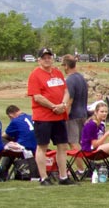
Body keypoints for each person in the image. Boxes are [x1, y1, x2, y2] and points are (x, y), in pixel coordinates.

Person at [27, 47, 74, 186]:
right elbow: (37, 97)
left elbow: (66, 91)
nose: (47, 60)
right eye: (44, 57)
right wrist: (53, 106)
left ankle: (63, 176)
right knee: (42, 146)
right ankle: (43, 177)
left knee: (62, 146)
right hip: (44, 116)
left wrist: (63, 105)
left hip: (59, 116)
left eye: (49, 57)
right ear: (39, 60)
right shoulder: (35, 75)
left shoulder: (58, 73)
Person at [62, 54, 88, 177]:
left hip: (73, 116)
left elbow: (69, 101)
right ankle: (86, 166)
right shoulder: (81, 78)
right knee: (80, 142)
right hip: (83, 113)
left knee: (73, 143)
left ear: (66, 66)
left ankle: (81, 170)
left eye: (63, 65)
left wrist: (64, 117)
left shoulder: (70, 80)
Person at [0, 105, 38, 182]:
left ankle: (2, 172)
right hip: (38, 147)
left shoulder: (15, 121)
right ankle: (2, 172)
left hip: (25, 148)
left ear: (11, 115)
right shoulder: (31, 117)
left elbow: (5, 135)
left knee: (7, 145)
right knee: (13, 146)